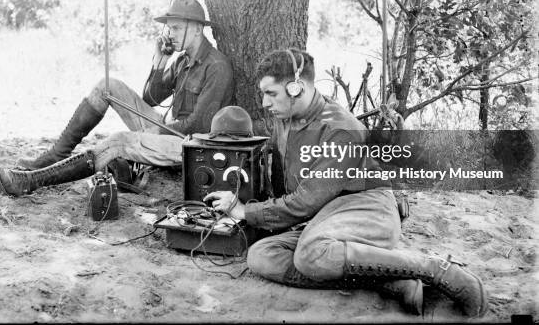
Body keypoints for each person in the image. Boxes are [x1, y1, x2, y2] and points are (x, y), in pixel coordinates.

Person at [205, 48, 487, 317]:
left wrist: (246, 212)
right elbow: (291, 188)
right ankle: (389, 281)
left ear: (296, 87)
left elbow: (306, 199)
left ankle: (434, 268)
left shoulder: (341, 128)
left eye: (271, 93)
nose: (265, 103)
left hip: (367, 209)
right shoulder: (286, 118)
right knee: (262, 255)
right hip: (323, 217)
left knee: (310, 255)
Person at [0, 0, 234, 196]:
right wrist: (159, 63)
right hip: (167, 130)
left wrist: (156, 131)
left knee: (119, 141)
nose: (170, 33)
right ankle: (55, 155)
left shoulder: (216, 66)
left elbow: (200, 125)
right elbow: (150, 98)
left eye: (177, 28)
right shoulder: (182, 60)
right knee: (108, 85)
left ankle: (32, 181)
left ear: (198, 29)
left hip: (190, 146)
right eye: (169, 27)